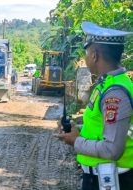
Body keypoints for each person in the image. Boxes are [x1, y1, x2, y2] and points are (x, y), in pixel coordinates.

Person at [57, 22, 133, 190]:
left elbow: (112, 149)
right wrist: (76, 128)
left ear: (94, 55)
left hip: (112, 181)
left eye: (86, 52)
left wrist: (76, 141)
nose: (85, 57)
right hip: (101, 177)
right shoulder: (106, 84)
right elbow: (103, 126)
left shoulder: (115, 93)